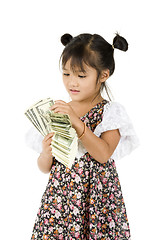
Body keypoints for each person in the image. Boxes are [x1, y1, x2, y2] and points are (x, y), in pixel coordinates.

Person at [25, 32, 139, 239]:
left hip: (97, 200)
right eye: (66, 74)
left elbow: (103, 154)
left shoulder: (109, 112)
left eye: (81, 76)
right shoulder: (58, 111)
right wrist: (45, 153)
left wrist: (77, 123)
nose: (72, 83)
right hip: (60, 200)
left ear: (103, 75)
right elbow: (45, 168)